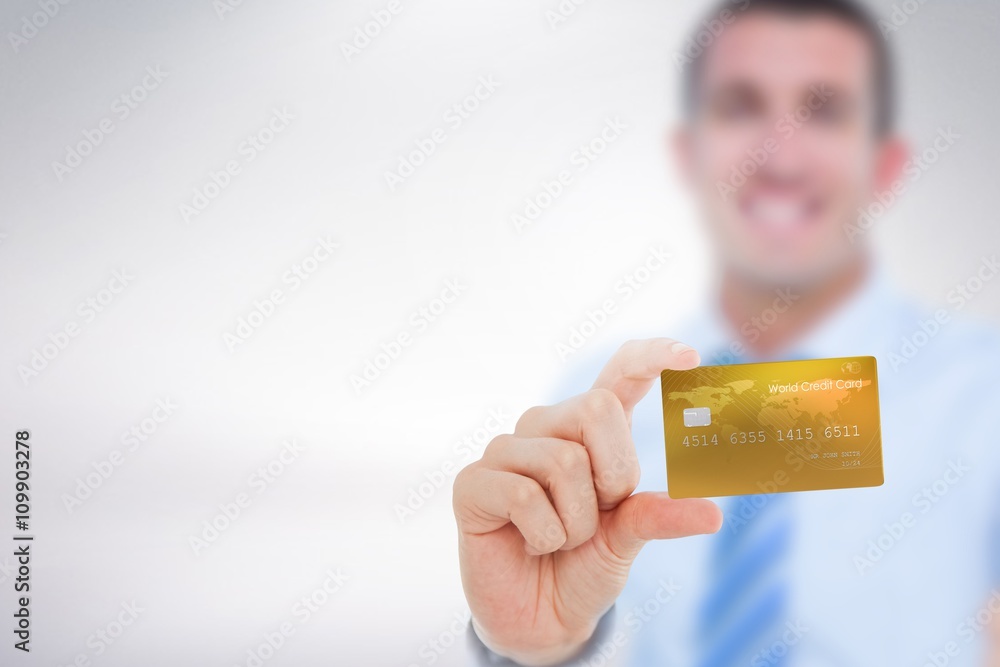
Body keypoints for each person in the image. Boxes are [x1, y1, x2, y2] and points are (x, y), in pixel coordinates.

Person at [452, 0, 1000, 665]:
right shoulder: (597, 405)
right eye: (741, 106)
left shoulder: (985, 393)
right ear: (688, 154)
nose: (780, 154)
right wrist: (533, 647)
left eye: (824, 110)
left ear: (885, 163)